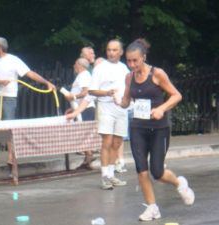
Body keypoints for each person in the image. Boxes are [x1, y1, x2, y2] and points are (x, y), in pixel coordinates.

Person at [116, 38, 194, 221]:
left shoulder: (157, 74)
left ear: (143, 57)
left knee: (157, 172)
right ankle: (152, 207)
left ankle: (179, 183)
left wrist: (161, 109)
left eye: (135, 60)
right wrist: (119, 101)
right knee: (141, 170)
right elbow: (127, 101)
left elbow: (176, 95)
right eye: (128, 61)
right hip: (137, 128)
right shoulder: (129, 77)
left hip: (159, 129)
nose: (132, 64)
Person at [67, 40, 129, 190]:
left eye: (115, 50)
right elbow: (92, 91)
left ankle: (111, 173)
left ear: (121, 52)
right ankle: (104, 177)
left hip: (121, 109)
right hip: (106, 107)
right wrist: (106, 93)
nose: (111, 53)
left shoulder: (124, 68)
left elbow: (128, 89)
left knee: (117, 143)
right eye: (109, 50)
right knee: (107, 142)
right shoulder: (100, 68)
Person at [0, 37, 56, 165]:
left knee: (9, 126)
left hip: (10, 96)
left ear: (0, 47)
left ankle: (11, 156)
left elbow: (30, 73)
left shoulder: (13, 60)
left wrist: (46, 82)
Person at [63, 58, 96, 170]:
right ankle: (88, 157)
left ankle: (89, 156)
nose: (73, 65)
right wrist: (72, 108)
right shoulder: (82, 75)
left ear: (80, 65)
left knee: (83, 132)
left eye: (75, 63)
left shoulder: (83, 75)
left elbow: (86, 91)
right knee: (83, 132)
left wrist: (74, 97)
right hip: (81, 108)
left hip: (85, 108)